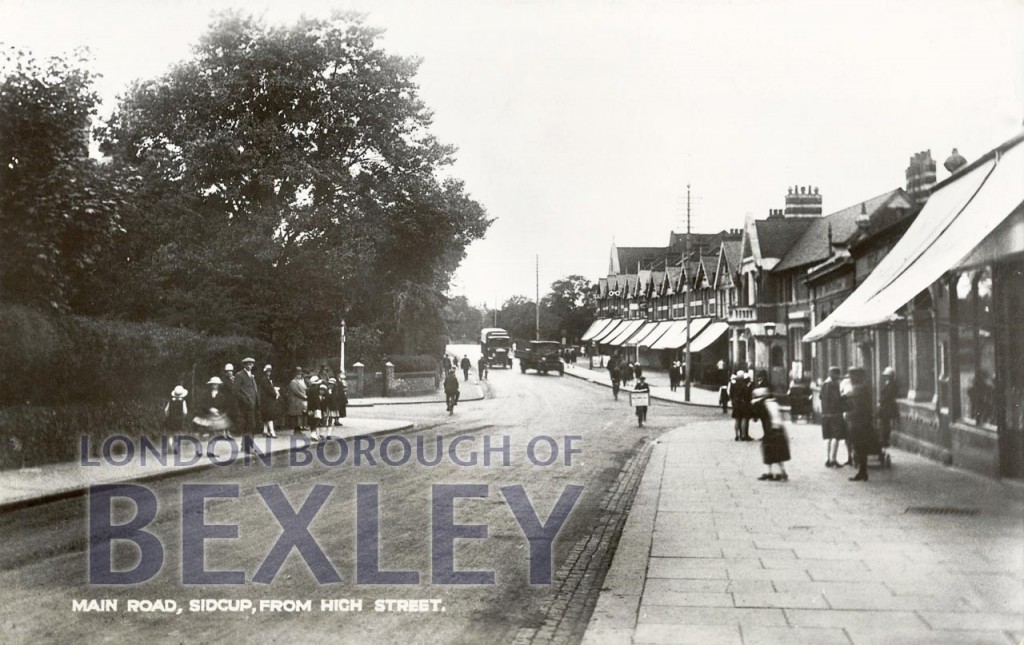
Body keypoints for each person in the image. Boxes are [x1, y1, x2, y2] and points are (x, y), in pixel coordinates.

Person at [843, 366, 876, 482]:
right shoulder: (864, 387)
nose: (851, 378)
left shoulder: (859, 388)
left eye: (853, 375)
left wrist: (848, 414)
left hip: (859, 424)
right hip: (864, 422)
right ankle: (862, 472)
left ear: (859, 376)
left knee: (859, 447)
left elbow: (855, 406)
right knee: (862, 448)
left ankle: (862, 472)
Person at [752, 386, 790, 481]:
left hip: (772, 429)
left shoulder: (763, 404)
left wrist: (754, 404)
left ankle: (780, 473)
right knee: (771, 450)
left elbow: (755, 418)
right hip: (776, 429)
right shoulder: (772, 402)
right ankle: (775, 472)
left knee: (772, 450)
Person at [193, 377, 232, 458]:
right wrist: (209, 409)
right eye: (213, 384)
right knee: (202, 433)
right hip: (206, 415)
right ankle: (198, 451)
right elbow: (202, 404)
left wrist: (220, 412)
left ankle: (210, 452)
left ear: (219, 385)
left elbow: (225, 405)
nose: (215, 385)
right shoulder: (206, 394)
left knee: (213, 434)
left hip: (216, 417)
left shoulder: (221, 395)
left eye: (216, 384)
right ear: (211, 385)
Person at [234, 357, 262, 455]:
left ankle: (245, 446)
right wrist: (245, 400)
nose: (249, 366)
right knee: (248, 426)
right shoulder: (240, 375)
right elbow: (236, 391)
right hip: (245, 406)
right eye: (247, 364)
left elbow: (254, 390)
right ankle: (248, 448)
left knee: (252, 426)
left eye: (251, 364)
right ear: (244, 365)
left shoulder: (251, 376)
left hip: (253, 405)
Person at [820, 366, 846, 467]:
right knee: (836, 436)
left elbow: (821, 397)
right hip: (835, 414)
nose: (838, 377)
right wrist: (843, 396)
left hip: (825, 415)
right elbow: (837, 399)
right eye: (837, 375)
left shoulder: (824, 384)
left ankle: (827, 459)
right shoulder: (832, 385)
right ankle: (833, 459)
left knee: (827, 437)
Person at [878, 366, 899, 450]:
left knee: (885, 423)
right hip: (885, 406)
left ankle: (885, 439)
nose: (886, 377)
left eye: (887, 376)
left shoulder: (892, 385)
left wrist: (881, 400)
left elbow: (888, 395)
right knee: (884, 423)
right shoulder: (888, 383)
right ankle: (884, 438)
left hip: (887, 406)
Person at [164, 385, 188, 453]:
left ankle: (170, 447)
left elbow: (166, 410)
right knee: (177, 433)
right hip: (178, 420)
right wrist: (183, 417)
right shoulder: (183, 402)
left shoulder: (171, 401)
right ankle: (176, 448)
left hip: (170, 419)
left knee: (170, 434)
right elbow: (185, 412)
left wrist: (167, 416)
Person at [729, 371, 752, 441]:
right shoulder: (744, 385)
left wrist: (733, 401)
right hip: (743, 403)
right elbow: (747, 394)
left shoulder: (733, 384)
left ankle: (736, 435)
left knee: (737, 419)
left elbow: (730, 393)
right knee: (744, 418)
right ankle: (743, 435)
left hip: (736, 403)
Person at [287, 367, 308, 438]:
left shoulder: (302, 381)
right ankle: (296, 430)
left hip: (301, 401)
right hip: (295, 401)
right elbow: (296, 392)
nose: (299, 375)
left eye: (300, 374)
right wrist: (304, 396)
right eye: (298, 374)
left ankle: (299, 429)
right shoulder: (293, 382)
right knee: (296, 415)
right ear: (295, 374)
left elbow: (305, 389)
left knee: (300, 415)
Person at [258, 364, 279, 439]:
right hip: (266, 400)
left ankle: (265, 431)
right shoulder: (264, 379)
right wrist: (275, 393)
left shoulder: (267, 379)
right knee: (270, 416)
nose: (269, 372)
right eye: (267, 371)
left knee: (267, 416)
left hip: (267, 400)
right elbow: (268, 390)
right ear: (265, 371)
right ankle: (272, 432)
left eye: (270, 371)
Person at [306, 375, 323, 441]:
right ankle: (313, 433)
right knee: (317, 419)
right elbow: (315, 400)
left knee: (312, 420)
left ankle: (313, 433)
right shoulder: (315, 390)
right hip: (316, 407)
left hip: (310, 407)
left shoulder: (309, 390)